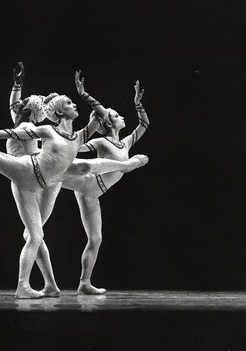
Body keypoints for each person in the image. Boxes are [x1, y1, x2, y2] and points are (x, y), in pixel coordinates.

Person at [0, 70, 149, 299]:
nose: (20, 107)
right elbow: (14, 118)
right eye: (68, 103)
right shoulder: (35, 128)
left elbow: (98, 116)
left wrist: (82, 96)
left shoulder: (74, 134)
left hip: (45, 182)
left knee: (36, 234)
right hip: (26, 171)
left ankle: (48, 286)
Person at [62, 80, 150, 295]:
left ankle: (84, 283)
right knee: (54, 175)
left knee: (96, 239)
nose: (121, 117)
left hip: (93, 195)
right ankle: (35, 161)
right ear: (109, 123)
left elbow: (144, 125)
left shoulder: (126, 143)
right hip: (88, 182)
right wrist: (85, 95)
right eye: (117, 116)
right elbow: (79, 148)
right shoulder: (102, 142)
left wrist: (138, 104)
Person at [7, 62, 61, 297]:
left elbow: (20, 107)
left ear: (28, 110)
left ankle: (23, 286)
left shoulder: (29, 126)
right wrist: (18, 83)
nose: (18, 102)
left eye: (23, 101)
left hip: (37, 184)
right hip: (33, 182)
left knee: (34, 234)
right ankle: (50, 285)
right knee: (33, 234)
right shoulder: (21, 123)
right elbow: (13, 103)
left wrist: (49, 102)